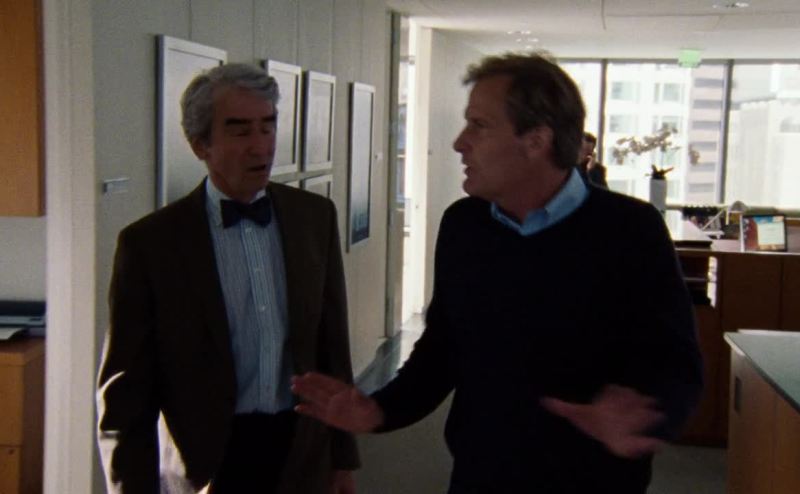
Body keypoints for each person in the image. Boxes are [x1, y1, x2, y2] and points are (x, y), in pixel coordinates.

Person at [292, 52, 702, 493]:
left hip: (593, 481)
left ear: (536, 140)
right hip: (479, 475)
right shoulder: (465, 225)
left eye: (479, 125)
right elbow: (443, 348)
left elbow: (676, 363)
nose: (459, 142)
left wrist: (645, 418)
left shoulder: (630, 230)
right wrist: (381, 410)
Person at [96, 63, 358, 494]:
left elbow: (333, 348)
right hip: (206, 462)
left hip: (301, 453)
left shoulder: (314, 218)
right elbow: (126, 394)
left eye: (268, 126)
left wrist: (343, 460)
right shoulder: (151, 244)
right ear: (200, 144)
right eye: (240, 131)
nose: (261, 146)